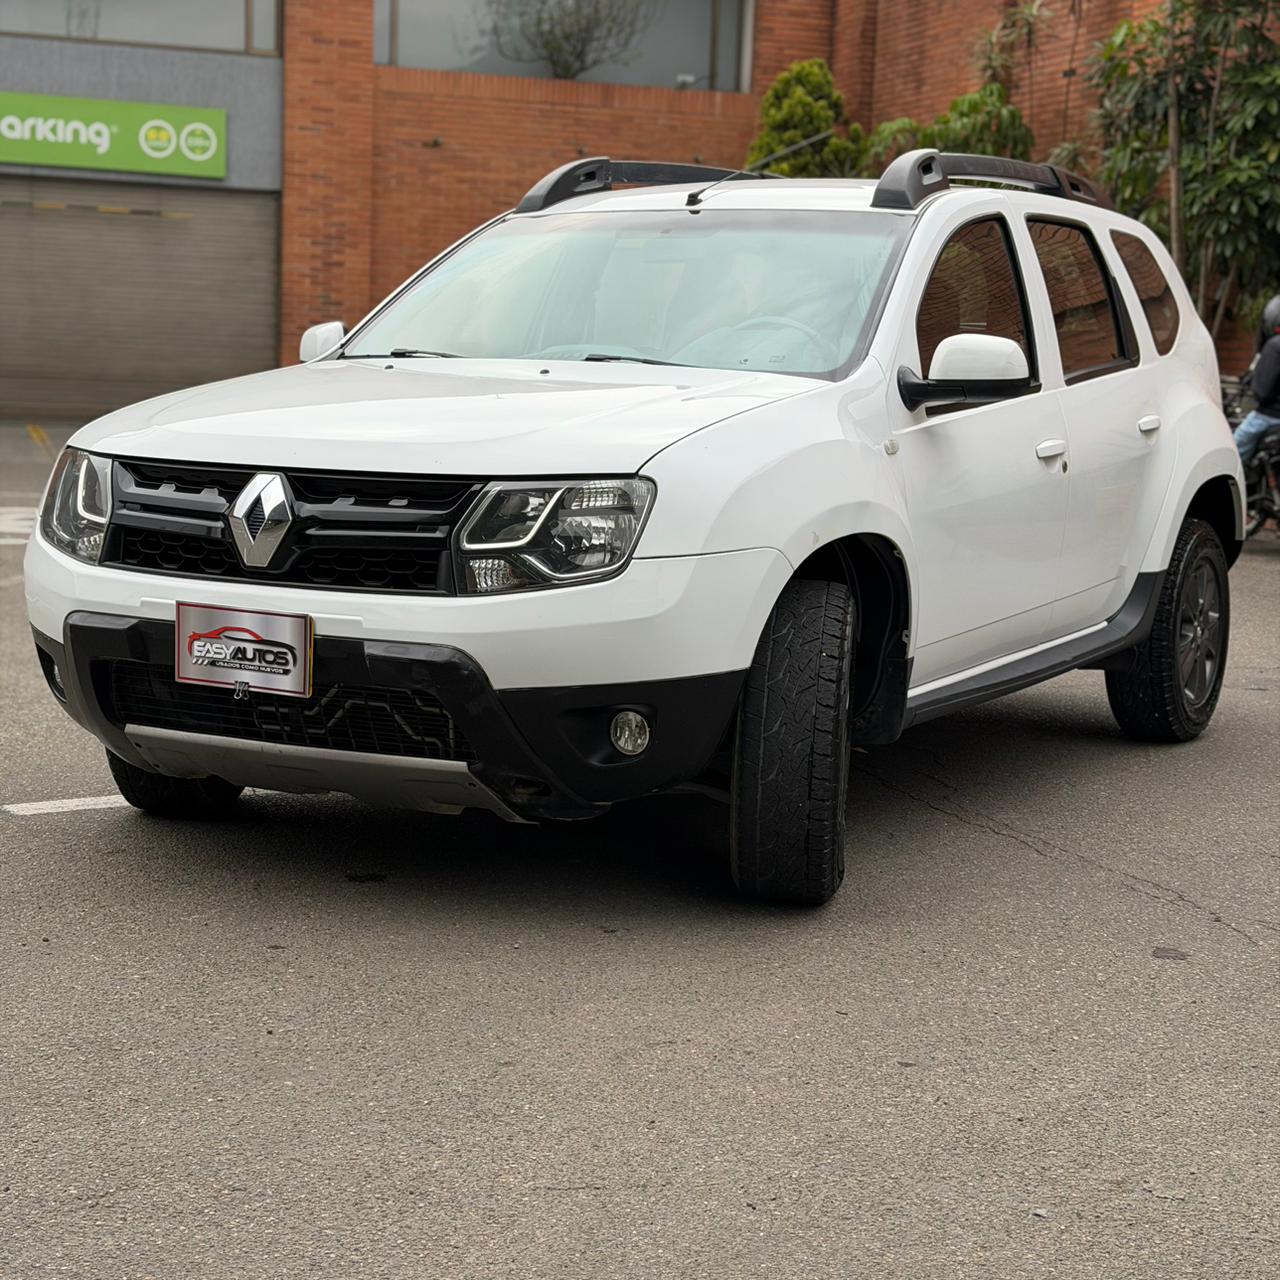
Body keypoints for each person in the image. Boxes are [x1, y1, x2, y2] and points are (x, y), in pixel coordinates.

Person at [1235, 294, 1280, 463]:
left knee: (1232, 453)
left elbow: (1262, 390)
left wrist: (1254, 387)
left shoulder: (1275, 345)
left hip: (1270, 416)